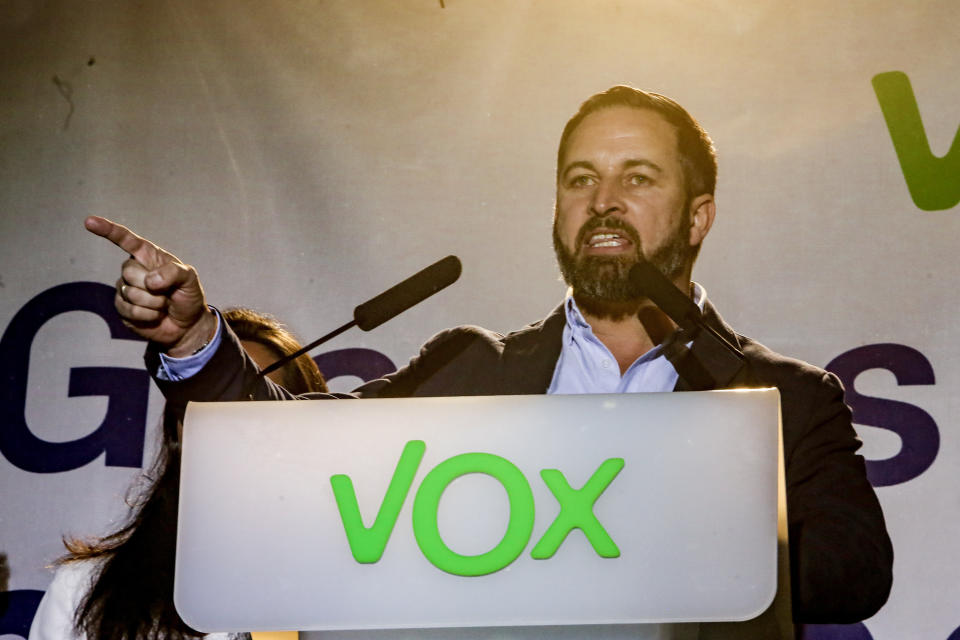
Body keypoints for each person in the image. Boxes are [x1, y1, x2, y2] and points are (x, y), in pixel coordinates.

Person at [83, 85, 893, 625]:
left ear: (698, 216)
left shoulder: (788, 397)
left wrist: (625, 526)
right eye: (580, 179)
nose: (603, 201)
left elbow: (855, 572)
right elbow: (283, 468)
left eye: (637, 178)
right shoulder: (470, 368)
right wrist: (193, 341)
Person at [28, 309, 327, 640]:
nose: (226, 428)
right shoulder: (84, 589)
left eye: (251, 404)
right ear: (176, 428)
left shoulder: (362, 588)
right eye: (205, 404)